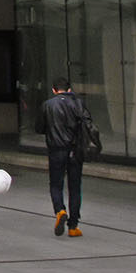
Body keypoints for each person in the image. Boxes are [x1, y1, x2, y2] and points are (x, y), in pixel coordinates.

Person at [38, 76, 93, 238]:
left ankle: (60, 210)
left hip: (56, 150)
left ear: (54, 90)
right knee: (75, 187)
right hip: (75, 151)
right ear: (69, 89)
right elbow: (88, 123)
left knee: (56, 184)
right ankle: (73, 226)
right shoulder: (78, 103)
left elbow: (39, 127)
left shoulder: (48, 105)